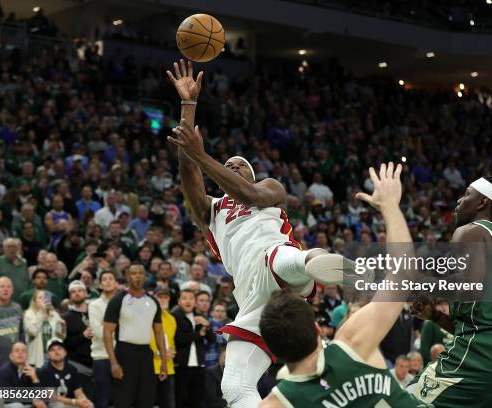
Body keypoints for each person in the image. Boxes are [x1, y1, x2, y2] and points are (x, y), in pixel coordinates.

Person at [166, 59, 347, 408]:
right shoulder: (211, 210)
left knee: (298, 259)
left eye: (238, 167)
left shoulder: (268, 188)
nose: (231, 168)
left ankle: (353, 273)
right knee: (233, 387)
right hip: (250, 295)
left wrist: (205, 157)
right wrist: (189, 106)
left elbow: (244, 191)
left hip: (274, 259)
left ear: (250, 175)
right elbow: (188, 166)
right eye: (227, 165)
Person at [258, 162, 432, 407]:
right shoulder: (352, 341)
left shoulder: (276, 403)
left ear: (272, 352)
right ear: (318, 330)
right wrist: (390, 206)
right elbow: (402, 276)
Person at [406, 163, 492, 407]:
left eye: (467, 193)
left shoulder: (471, 231)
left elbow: (469, 289)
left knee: (402, 401)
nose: (459, 199)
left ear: (482, 202)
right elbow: (483, 321)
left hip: (483, 354)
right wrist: (435, 316)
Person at [103, 264, 167, 408]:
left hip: (145, 354)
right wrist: (113, 363)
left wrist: (163, 361)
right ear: (127, 276)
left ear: (145, 277)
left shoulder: (153, 301)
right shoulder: (118, 300)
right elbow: (107, 332)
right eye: (133, 273)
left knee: (147, 399)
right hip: (124, 353)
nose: (137, 276)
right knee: (123, 400)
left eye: (140, 273)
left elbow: (159, 333)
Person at [172, 289, 215, 408]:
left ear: (195, 302)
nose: (188, 301)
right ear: (179, 301)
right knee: (179, 401)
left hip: (198, 367)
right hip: (180, 367)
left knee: (196, 401)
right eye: (184, 298)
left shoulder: (199, 316)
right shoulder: (175, 316)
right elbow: (178, 339)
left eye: (191, 298)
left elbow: (212, 340)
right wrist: (198, 334)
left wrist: (207, 325)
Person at [88, 270, 118, 408]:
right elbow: (99, 332)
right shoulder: (94, 305)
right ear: (100, 284)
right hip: (101, 356)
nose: (108, 281)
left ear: (116, 283)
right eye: (104, 279)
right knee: (102, 399)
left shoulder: (124, 303)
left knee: (122, 398)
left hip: (121, 356)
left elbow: (129, 329)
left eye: (111, 278)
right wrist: (117, 329)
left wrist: (107, 326)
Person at [38, 338, 94, 408]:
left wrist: (84, 401)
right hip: (51, 404)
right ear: (48, 355)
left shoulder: (72, 369)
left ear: (65, 352)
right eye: (52, 350)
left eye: (59, 348)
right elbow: (53, 397)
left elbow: (78, 392)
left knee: (89, 405)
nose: (56, 352)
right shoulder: (44, 371)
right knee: (58, 405)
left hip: (69, 403)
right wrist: (75, 401)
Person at [62, 280, 93, 396]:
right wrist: (82, 336)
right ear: (70, 296)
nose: (77, 293)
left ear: (85, 293)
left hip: (99, 362)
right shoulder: (65, 317)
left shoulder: (95, 312)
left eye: (80, 290)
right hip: (77, 365)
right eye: (73, 292)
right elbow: (64, 344)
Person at [23, 289, 66, 367]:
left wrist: (63, 329)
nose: (43, 300)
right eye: (40, 298)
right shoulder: (29, 314)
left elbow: (61, 337)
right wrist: (42, 312)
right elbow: (33, 331)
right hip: (38, 356)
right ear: (35, 301)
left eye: (45, 297)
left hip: (53, 355)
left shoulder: (54, 314)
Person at [151, 287, 177, 408]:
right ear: (153, 298)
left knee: (169, 404)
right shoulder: (147, 317)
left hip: (168, 368)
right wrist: (158, 353)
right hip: (149, 367)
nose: (162, 299)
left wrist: (172, 352)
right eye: (159, 297)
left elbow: (171, 342)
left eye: (165, 297)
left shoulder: (172, 319)